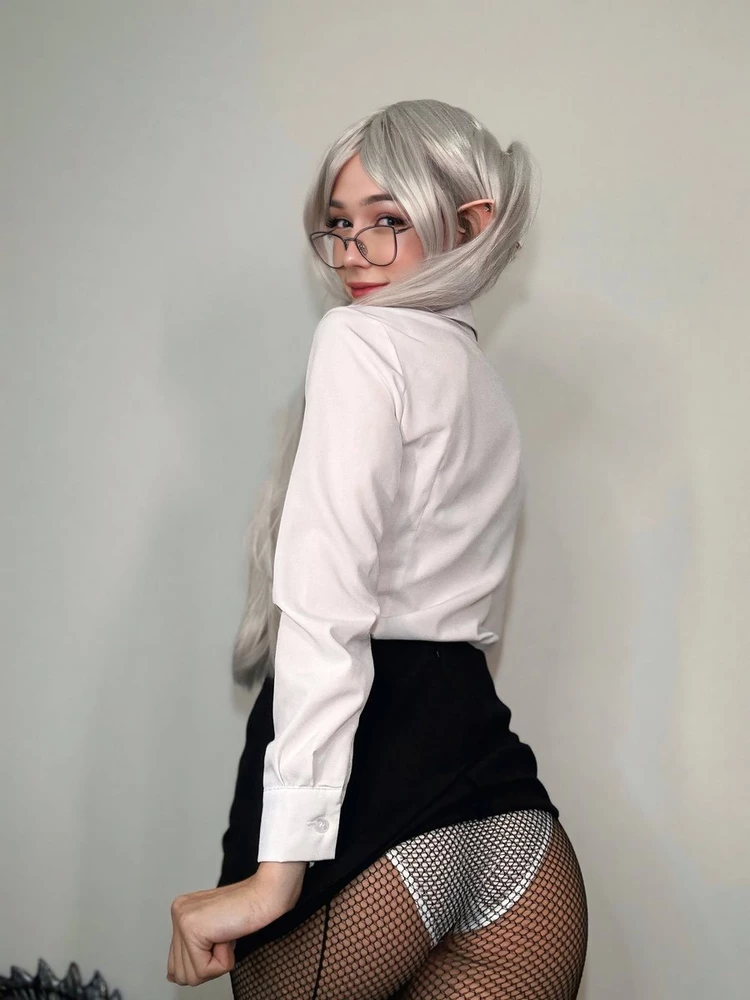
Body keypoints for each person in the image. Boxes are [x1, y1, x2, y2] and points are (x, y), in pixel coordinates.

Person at [167, 98, 588, 998]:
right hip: (510, 829)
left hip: (371, 808)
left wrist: (278, 870)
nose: (355, 249)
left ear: (469, 224)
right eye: (339, 224)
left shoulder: (359, 341)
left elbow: (326, 614)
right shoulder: (482, 381)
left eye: (387, 220)